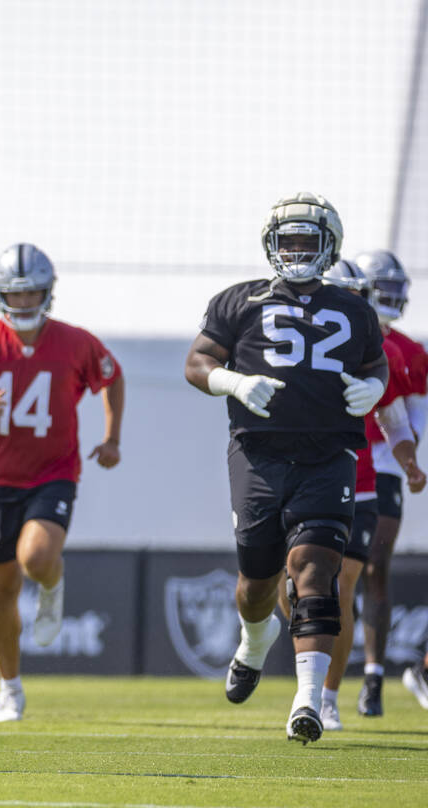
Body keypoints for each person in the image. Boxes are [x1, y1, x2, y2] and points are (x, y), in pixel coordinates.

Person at [184, 192, 388, 744]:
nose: (296, 250)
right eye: (288, 241)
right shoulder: (237, 300)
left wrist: (374, 387)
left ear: (329, 247)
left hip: (329, 455)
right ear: (271, 245)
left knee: (316, 573)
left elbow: (377, 365)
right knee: (256, 582)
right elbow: (197, 362)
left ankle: (309, 701)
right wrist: (232, 381)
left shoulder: (355, 308)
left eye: (307, 241)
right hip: (259, 454)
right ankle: (254, 642)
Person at [0, 243, 124, 723]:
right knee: (0, 589)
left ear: (48, 292)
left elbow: (111, 377)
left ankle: (52, 582)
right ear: (0, 295)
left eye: (31, 293)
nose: (22, 303)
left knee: (35, 558)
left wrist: (112, 437)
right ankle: (9, 688)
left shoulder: (75, 342)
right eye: (14, 294)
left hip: (53, 472)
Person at [281, 260, 424, 731]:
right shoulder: (285, 337)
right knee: (284, 588)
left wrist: (408, 463)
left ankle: (326, 695)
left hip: (357, 476)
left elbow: (397, 416)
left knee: (341, 586)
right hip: (290, 474)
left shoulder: (375, 346)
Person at [354, 249, 428, 717]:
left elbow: (412, 417)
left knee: (374, 566)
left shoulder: (408, 351)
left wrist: (408, 456)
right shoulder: (331, 335)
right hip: (328, 462)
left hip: (379, 465)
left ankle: (374, 676)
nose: (393, 299)